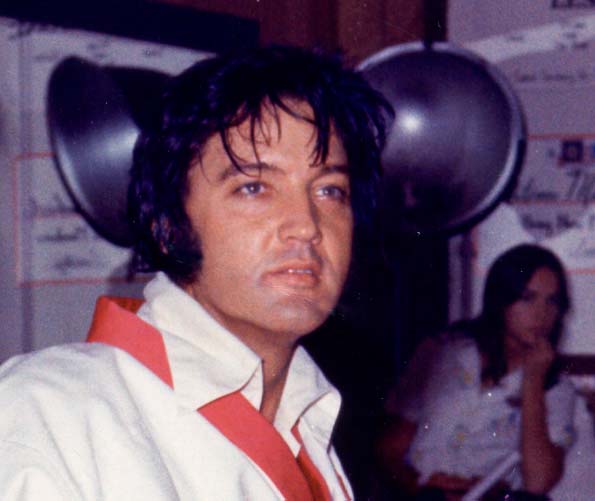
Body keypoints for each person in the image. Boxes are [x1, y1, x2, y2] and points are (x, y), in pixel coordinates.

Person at [0, 46, 390, 499]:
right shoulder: (47, 413)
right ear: (168, 227)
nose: (306, 225)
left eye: (329, 190)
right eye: (253, 187)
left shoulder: (308, 422)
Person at [377, 244, 576, 501]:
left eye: (552, 301)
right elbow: (389, 449)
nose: (542, 314)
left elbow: (538, 483)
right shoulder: (443, 353)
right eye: (528, 298)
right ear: (501, 300)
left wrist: (533, 381)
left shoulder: (556, 389)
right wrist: (423, 490)